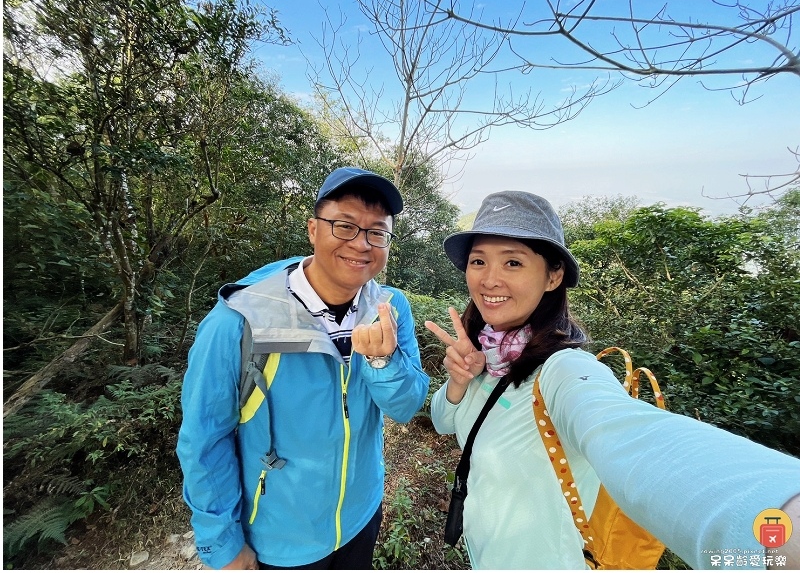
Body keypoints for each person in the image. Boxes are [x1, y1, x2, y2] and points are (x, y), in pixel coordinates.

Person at [425, 190, 800, 570]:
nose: (489, 280)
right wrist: (459, 379)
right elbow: (443, 421)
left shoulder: (564, 369)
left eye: (513, 263)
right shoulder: (484, 351)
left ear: (553, 276)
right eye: (478, 261)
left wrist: (775, 510)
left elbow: (625, 434)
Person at [177, 167, 430, 569]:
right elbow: (203, 439)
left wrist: (382, 361)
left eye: (376, 232)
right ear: (313, 229)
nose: (361, 244)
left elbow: (405, 405)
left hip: (360, 516)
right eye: (345, 226)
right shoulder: (241, 321)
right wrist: (221, 544)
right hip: (278, 540)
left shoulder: (389, 307)